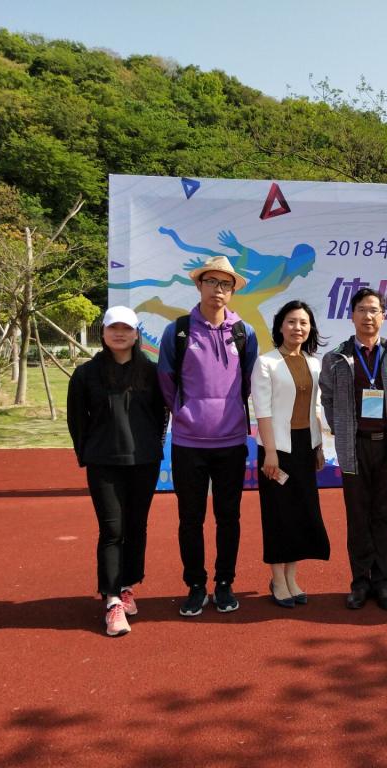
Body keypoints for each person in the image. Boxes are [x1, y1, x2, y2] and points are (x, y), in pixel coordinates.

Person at [157, 255, 259, 617]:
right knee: (190, 518)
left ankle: (225, 583)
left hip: (231, 441)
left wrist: (228, 412)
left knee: (229, 517)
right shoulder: (179, 331)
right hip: (188, 443)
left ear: (233, 291)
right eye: (212, 282)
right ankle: (196, 585)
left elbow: (250, 381)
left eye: (225, 284)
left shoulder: (244, 333)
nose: (218, 289)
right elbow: (166, 379)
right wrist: (186, 412)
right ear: (199, 285)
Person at [67, 306, 168, 637]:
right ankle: (111, 599)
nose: (120, 334)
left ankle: (127, 586)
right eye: (114, 328)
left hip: (144, 461)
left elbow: (160, 416)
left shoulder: (151, 372)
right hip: (104, 463)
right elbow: (76, 420)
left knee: (137, 527)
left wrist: (152, 446)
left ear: (136, 334)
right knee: (112, 529)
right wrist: (87, 453)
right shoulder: (86, 374)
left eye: (127, 328)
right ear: (104, 333)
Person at [320, 288, 387, 611]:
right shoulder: (336, 357)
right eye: (361, 309)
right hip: (354, 447)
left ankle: (384, 581)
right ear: (352, 316)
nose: (368, 316)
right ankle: (360, 582)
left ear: (384, 316)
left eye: (374, 310)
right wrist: (342, 428)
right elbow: (327, 398)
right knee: (358, 516)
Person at [251, 300, 330, 608]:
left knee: (301, 512)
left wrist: (319, 446)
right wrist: (270, 453)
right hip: (277, 449)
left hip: (305, 447)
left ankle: (292, 576)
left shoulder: (314, 363)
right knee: (278, 514)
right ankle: (278, 579)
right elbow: (263, 411)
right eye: (292, 322)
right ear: (280, 327)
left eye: (304, 323)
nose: (298, 328)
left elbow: (316, 408)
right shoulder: (266, 362)